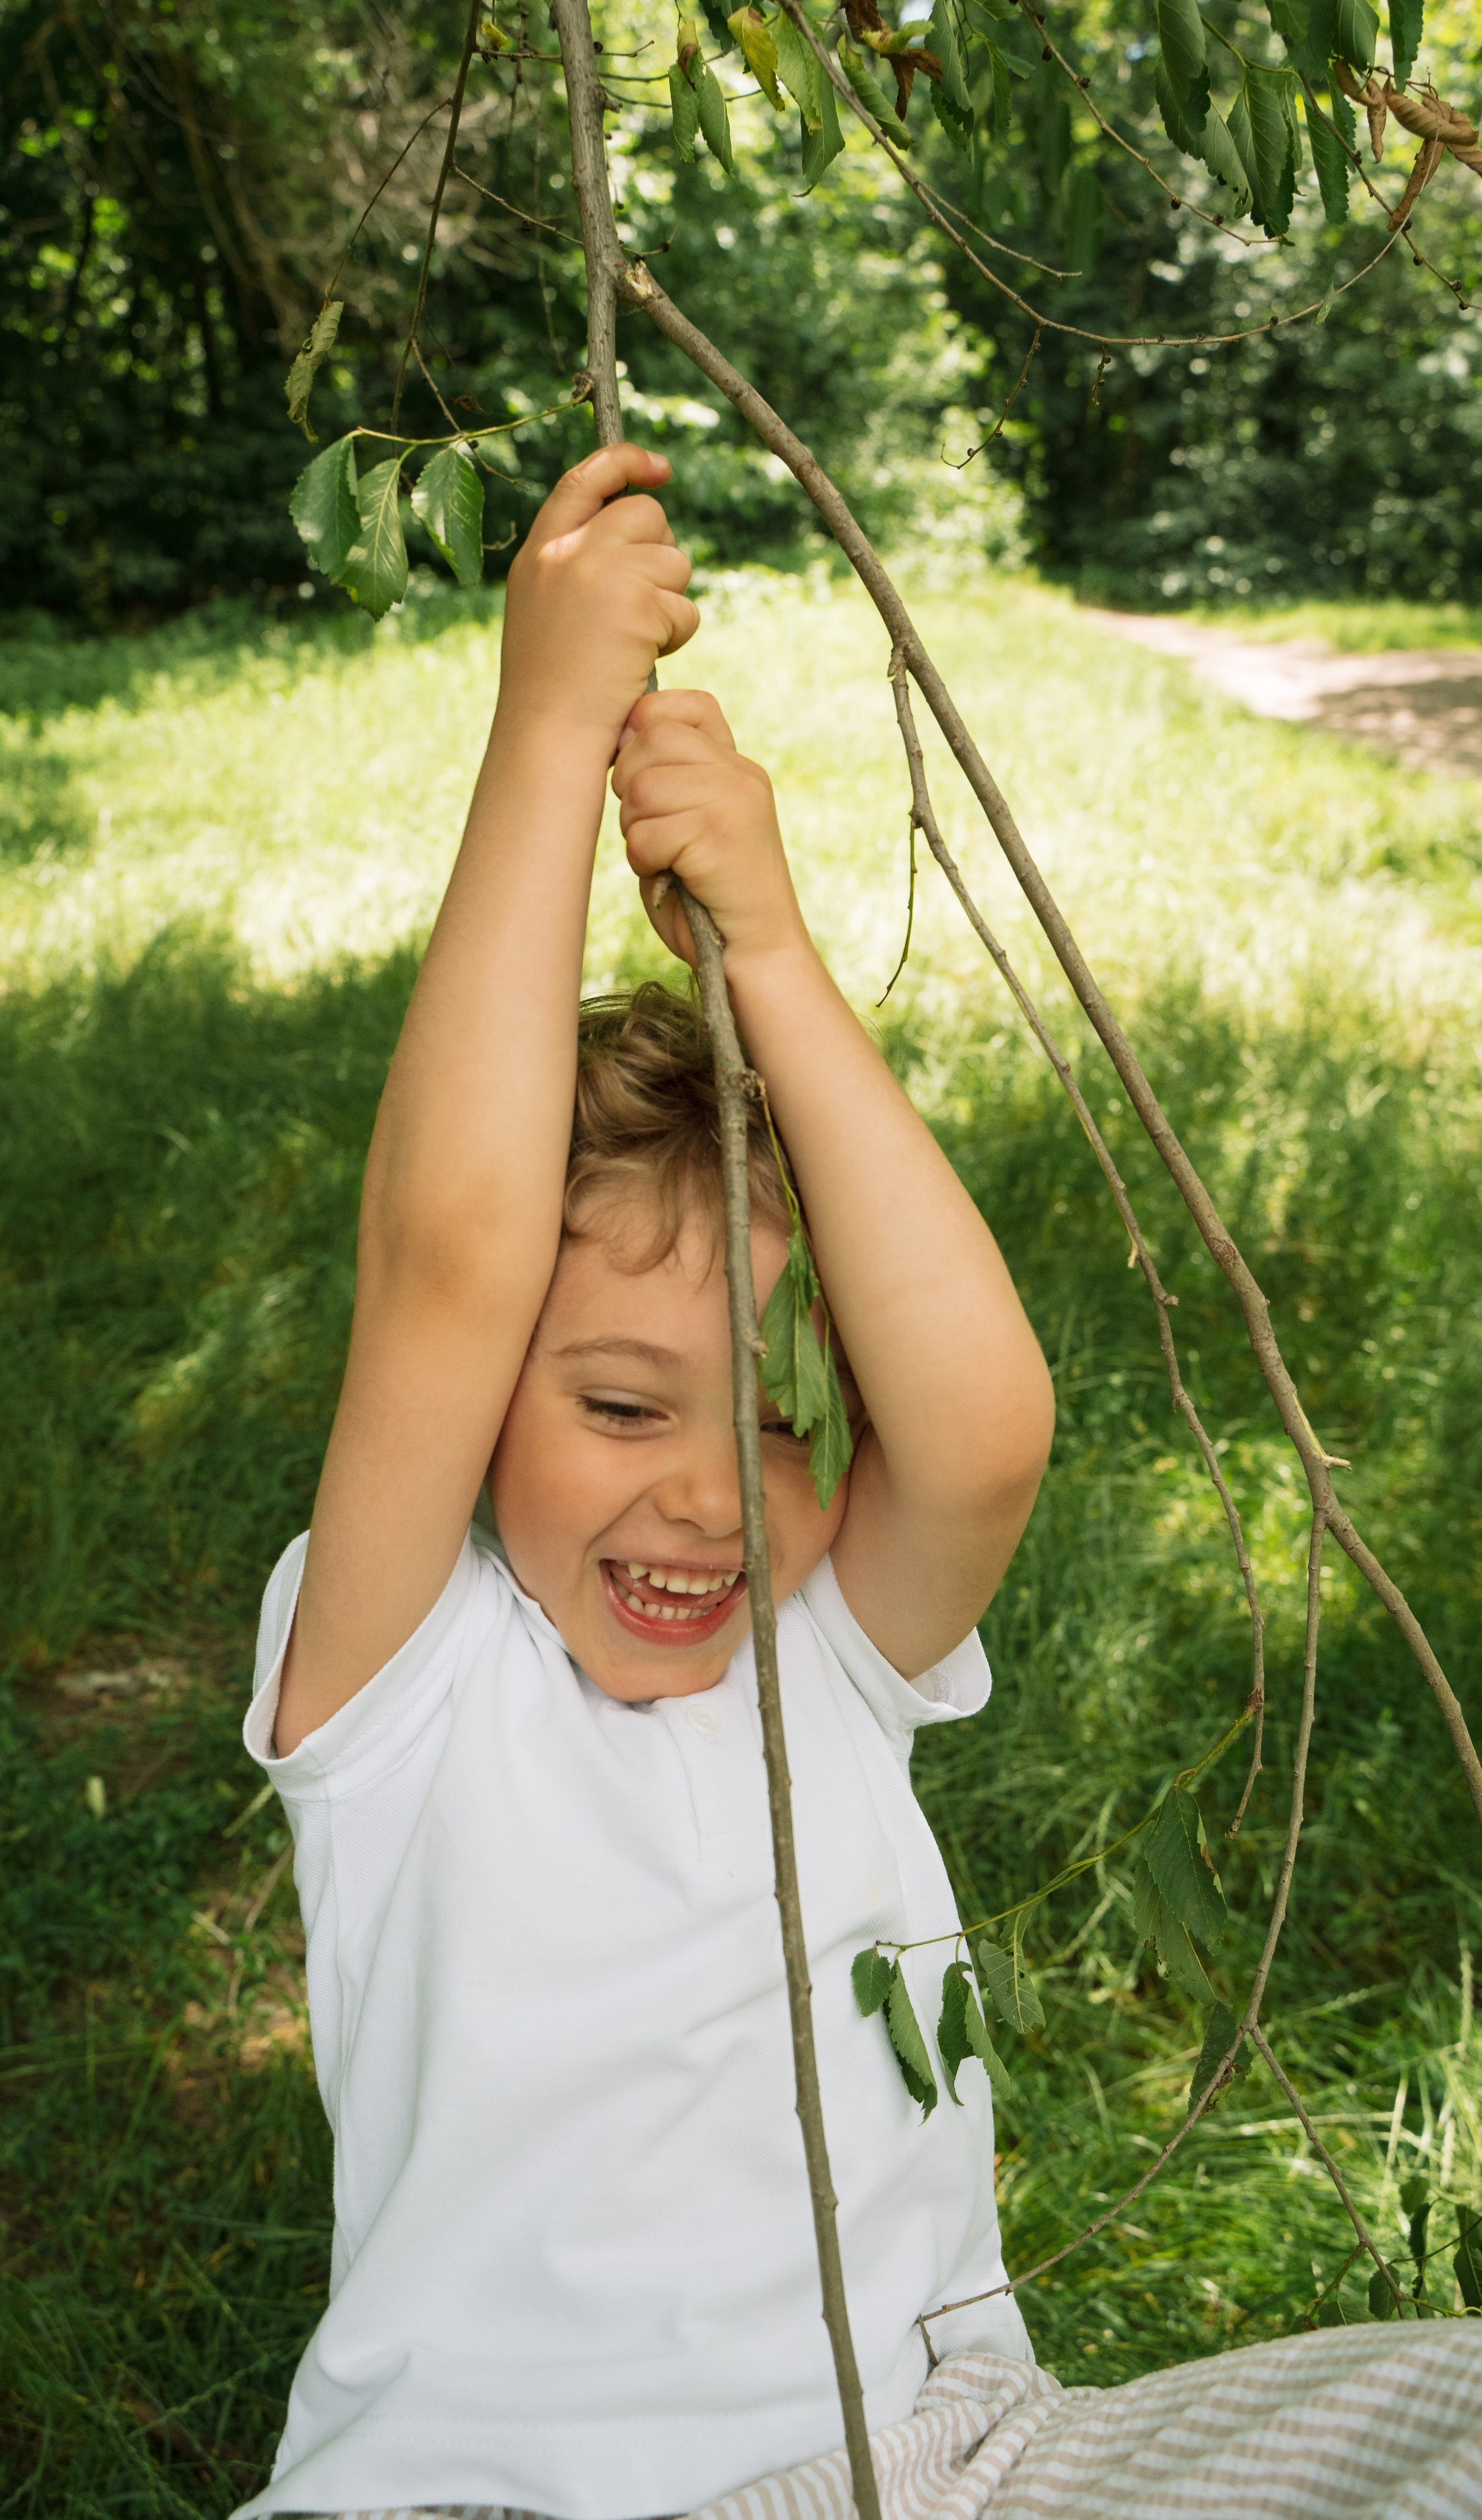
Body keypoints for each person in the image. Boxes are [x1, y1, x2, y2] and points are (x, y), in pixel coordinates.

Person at [229, 445, 1482, 2520]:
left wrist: (782, 962)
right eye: (624, 1408)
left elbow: (983, 1423)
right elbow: (447, 1265)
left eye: (787, 1418)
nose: (713, 1501)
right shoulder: (401, 1691)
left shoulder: (835, 1667)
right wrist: (549, 732)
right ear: (489, 1419)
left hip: (957, 2468)